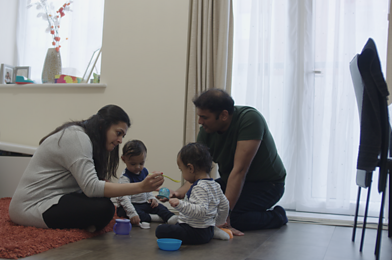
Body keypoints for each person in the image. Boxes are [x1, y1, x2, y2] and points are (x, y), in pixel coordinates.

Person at [9, 105, 164, 232]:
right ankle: (86, 224)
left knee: (104, 202)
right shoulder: (78, 138)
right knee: (105, 208)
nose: (120, 140)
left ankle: (85, 224)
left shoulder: (85, 138)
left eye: (122, 136)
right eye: (118, 133)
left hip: (54, 198)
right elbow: (91, 187)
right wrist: (140, 187)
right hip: (31, 206)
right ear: (103, 125)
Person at [169, 88, 288, 235]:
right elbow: (198, 172)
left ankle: (277, 216)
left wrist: (225, 217)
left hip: (267, 185)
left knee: (231, 217)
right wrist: (178, 193)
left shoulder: (250, 119)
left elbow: (239, 171)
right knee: (198, 200)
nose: (200, 122)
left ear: (224, 115)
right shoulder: (207, 131)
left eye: (205, 117)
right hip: (231, 180)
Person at [155, 142, 230, 245]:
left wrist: (179, 204)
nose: (182, 173)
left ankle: (212, 231)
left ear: (190, 168)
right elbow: (225, 204)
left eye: (181, 170)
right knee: (176, 221)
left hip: (195, 232)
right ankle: (213, 231)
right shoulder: (215, 185)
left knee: (160, 230)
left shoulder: (199, 187)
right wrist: (218, 222)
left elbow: (201, 211)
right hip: (206, 229)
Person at [116, 140, 178, 227]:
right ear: (124, 159)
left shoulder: (145, 171)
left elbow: (148, 188)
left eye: (141, 163)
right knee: (127, 213)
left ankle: (170, 217)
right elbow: (124, 199)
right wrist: (132, 213)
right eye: (133, 164)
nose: (138, 167)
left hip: (144, 203)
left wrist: (151, 197)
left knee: (159, 207)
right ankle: (154, 218)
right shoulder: (125, 178)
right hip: (131, 205)